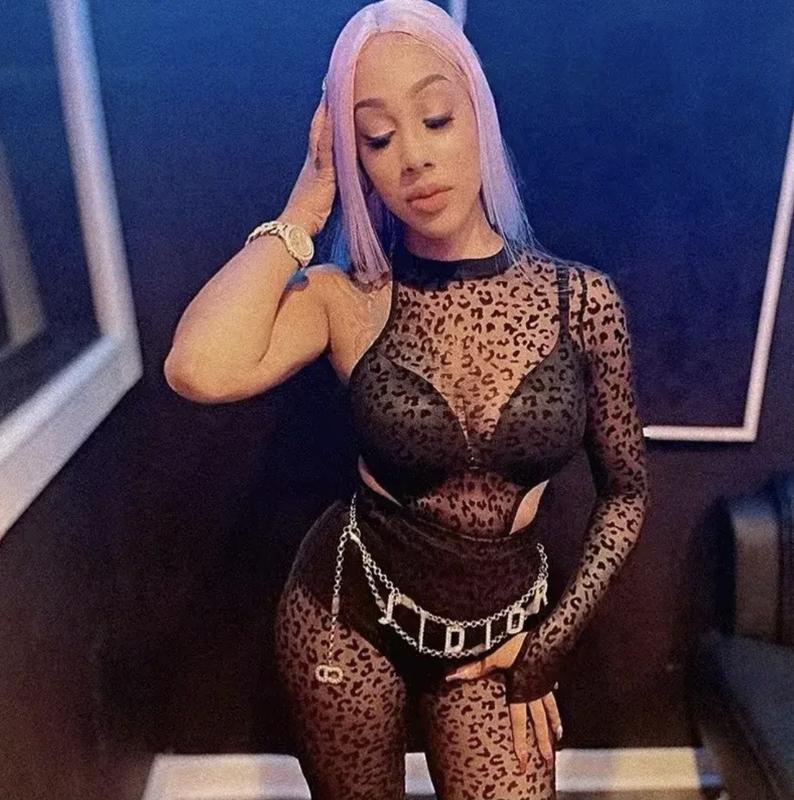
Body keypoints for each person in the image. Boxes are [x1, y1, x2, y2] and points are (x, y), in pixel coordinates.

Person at [163, 1, 650, 797]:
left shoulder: (581, 302)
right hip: (348, 611)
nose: (414, 158)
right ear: (354, 158)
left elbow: (626, 494)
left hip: (498, 625)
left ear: (479, 116)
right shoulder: (348, 296)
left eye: (436, 118)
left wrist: (548, 645)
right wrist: (304, 208)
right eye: (378, 138)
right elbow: (198, 368)